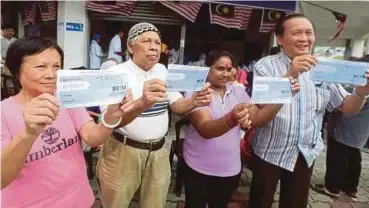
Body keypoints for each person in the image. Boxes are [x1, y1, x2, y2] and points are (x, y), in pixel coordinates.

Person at [248, 13, 369, 208]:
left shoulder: (323, 68)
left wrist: (362, 93)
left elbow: (346, 106)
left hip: (304, 154)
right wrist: (291, 74)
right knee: (260, 202)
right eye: (296, 33)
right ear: (280, 39)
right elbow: (261, 111)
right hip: (269, 150)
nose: (304, 38)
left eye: (308, 33)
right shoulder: (265, 66)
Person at [0, 37, 136, 207]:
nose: (51, 75)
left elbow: (93, 137)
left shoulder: (66, 100)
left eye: (56, 66)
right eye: (41, 67)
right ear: (17, 72)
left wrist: (111, 116)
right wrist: (28, 134)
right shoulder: (3, 112)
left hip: (79, 201)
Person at [96, 22, 212, 208]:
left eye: (158, 43)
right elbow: (110, 123)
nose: (153, 47)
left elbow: (176, 105)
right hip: (123, 152)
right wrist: (142, 103)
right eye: (146, 41)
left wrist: (193, 102)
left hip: (158, 152)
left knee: (155, 204)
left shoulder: (162, 71)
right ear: (130, 47)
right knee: (115, 203)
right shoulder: (115, 74)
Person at [183, 49, 300, 208]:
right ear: (207, 68)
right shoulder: (197, 92)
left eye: (229, 69)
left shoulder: (237, 90)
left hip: (229, 168)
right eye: (220, 68)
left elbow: (257, 119)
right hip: (198, 166)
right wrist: (233, 118)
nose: (225, 73)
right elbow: (205, 129)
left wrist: (282, 97)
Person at [312, 57, 369, 201]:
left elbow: (345, 102)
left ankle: (332, 188)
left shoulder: (359, 83)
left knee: (337, 157)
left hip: (344, 126)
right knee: (354, 156)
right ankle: (350, 188)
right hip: (360, 129)